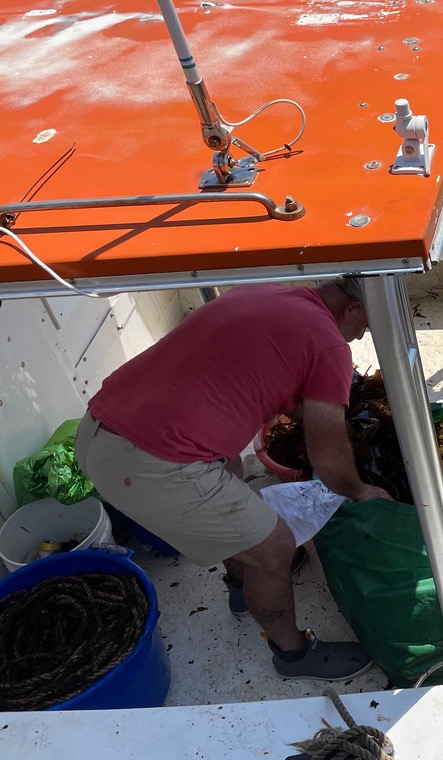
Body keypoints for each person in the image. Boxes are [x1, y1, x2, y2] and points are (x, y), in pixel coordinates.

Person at [75, 276, 392, 682]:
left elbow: (261, 375)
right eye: (364, 327)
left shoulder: (270, 291)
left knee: (232, 469)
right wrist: (361, 490)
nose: (359, 337)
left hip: (100, 426)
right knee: (274, 547)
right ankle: (294, 656)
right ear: (351, 309)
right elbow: (327, 458)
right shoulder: (330, 343)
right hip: (147, 463)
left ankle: (243, 587)